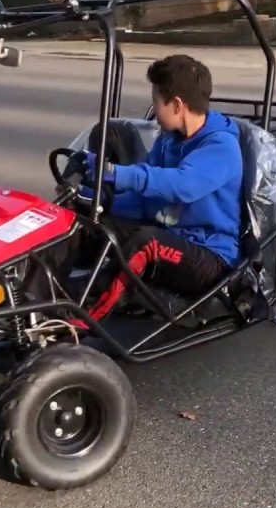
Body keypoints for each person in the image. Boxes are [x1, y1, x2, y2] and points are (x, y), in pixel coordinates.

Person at [69, 54, 245, 326]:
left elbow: (181, 186)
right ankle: (35, 297)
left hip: (209, 256)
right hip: (170, 236)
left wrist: (116, 174)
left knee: (147, 243)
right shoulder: (169, 141)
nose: (153, 107)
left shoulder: (221, 147)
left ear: (176, 105)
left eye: (156, 100)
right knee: (86, 223)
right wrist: (99, 201)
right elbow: (146, 200)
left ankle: (75, 321)